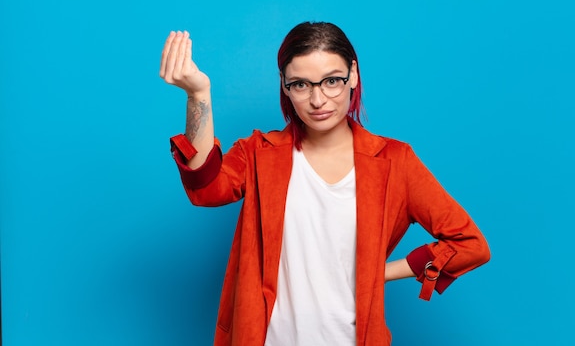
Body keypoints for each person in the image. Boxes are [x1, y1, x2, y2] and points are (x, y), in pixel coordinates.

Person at [160, 21, 490, 346]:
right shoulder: (260, 153)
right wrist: (198, 95)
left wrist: (379, 273)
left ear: (353, 75)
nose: (318, 100)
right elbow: (205, 189)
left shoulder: (394, 161)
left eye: (332, 81)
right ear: (284, 85)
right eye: (301, 84)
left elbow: (470, 245)